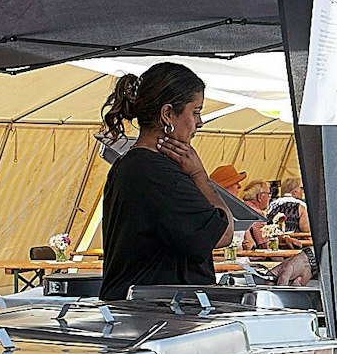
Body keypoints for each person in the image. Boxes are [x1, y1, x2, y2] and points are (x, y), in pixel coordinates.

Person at [96, 62, 235, 296]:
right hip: (156, 316)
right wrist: (199, 175)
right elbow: (223, 233)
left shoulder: (130, 164)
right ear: (168, 114)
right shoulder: (156, 173)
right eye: (195, 112)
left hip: (137, 312)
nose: (199, 122)